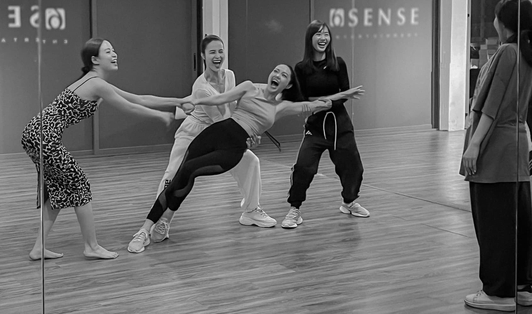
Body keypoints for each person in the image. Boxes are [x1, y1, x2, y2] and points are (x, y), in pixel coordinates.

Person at [127, 63, 332, 253]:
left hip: (234, 147)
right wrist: (195, 100)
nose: (277, 75)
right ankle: (147, 229)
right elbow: (220, 99)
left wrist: (331, 101)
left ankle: (249, 211)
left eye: (284, 75)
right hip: (216, 132)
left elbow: (309, 106)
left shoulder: (282, 107)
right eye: (276, 71)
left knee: (190, 170)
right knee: (181, 174)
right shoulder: (250, 87)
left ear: (289, 84)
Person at [21, 37, 191, 260]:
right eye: (108, 51)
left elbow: (139, 98)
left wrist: (178, 100)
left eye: (113, 50)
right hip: (44, 136)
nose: (114, 54)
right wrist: (162, 116)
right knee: (80, 187)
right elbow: (129, 107)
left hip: (36, 134)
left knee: (59, 191)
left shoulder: (97, 82)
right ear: (95, 59)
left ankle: (38, 248)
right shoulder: (96, 83)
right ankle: (91, 246)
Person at [146, 35, 276, 247]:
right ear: (204, 56)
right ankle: (160, 219)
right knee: (173, 174)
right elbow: (221, 121)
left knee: (251, 162)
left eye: (220, 51)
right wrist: (242, 136)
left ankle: (251, 211)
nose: (218, 56)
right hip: (195, 131)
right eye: (212, 52)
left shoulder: (231, 76)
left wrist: (249, 134)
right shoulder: (201, 87)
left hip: (225, 131)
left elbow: (233, 112)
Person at [461, 0, 532, 312]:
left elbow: (491, 107)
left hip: (495, 150)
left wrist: (474, 145)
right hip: (517, 150)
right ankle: (521, 286)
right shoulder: (528, 54)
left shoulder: (508, 52)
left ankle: (497, 293)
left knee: (494, 227)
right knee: (518, 223)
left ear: (503, 23)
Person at [282, 20, 368, 229]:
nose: (323, 38)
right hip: (316, 125)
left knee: (353, 166)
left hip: (340, 124)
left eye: (326, 34)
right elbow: (301, 98)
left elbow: (345, 92)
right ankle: (294, 209)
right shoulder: (301, 68)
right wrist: (316, 105)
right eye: (318, 34)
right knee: (304, 166)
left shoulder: (338, 63)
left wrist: (332, 101)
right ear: (310, 39)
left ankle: (349, 202)